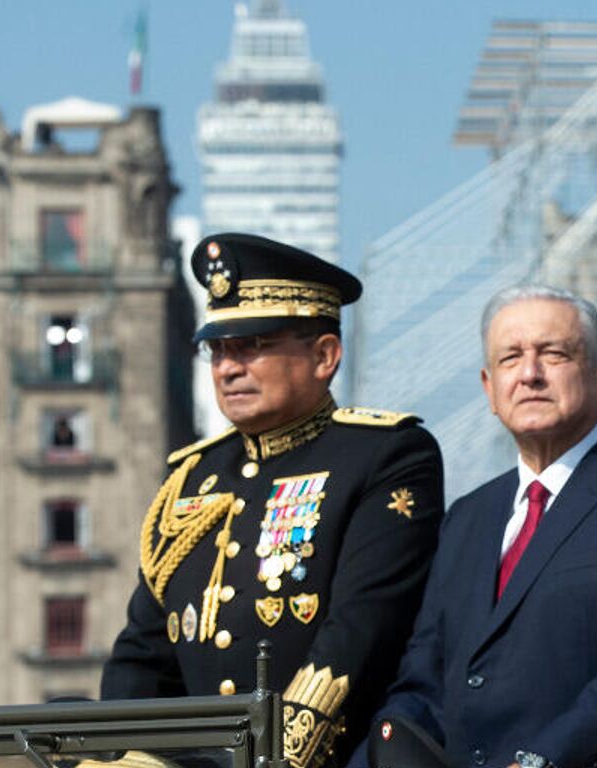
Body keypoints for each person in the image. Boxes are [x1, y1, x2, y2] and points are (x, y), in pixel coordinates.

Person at [102, 233, 445, 768]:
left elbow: (358, 635)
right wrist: (117, 754)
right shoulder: (191, 480)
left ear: (325, 356)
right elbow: (142, 656)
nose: (227, 368)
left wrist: (270, 760)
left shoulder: (385, 455)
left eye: (251, 346)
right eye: (217, 350)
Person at [353, 285, 597, 768]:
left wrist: (537, 763)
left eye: (554, 354)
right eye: (511, 358)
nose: (530, 374)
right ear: (489, 390)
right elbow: (422, 684)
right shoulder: (469, 517)